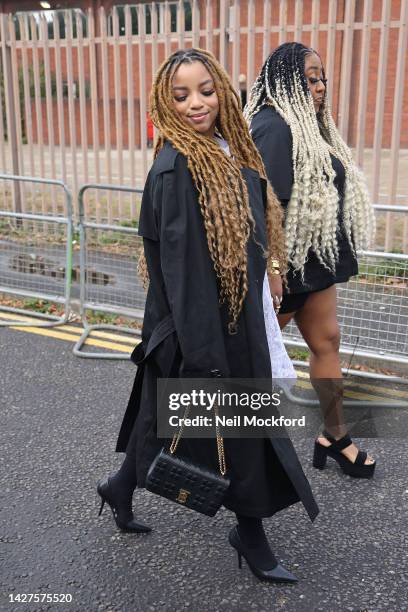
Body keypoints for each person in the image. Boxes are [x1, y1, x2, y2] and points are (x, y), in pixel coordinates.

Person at [97, 48, 318, 583]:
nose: (196, 103)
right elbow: (184, 272)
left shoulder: (225, 147)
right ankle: (252, 535)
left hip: (230, 319)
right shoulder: (177, 168)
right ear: (163, 103)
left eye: (206, 90)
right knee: (240, 431)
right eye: (180, 95)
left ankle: (121, 487)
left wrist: (269, 270)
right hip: (205, 331)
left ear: (223, 89)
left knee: (160, 420)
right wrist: (205, 356)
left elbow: (247, 228)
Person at [245, 42, 376, 478]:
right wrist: (274, 270)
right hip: (284, 267)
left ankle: (335, 438)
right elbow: (263, 206)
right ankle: (225, 450)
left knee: (327, 342)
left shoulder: (312, 127)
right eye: (310, 78)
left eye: (322, 78)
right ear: (285, 81)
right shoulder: (273, 127)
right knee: (254, 360)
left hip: (314, 262)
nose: (320, 87)